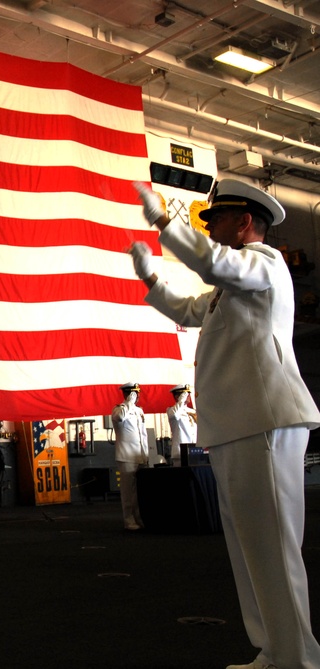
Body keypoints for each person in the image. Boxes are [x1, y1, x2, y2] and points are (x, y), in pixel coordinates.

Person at [129, 179, 320, 669]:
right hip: (240, 425)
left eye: (216, 220)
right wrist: (153, 283)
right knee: (251, 548)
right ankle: (274, 649)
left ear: (246, 223)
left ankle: (298, 659)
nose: (210, 228)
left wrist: (167, 225)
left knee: (274, 547)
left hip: (264, 420)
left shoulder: (265, 263)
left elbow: (215, 261)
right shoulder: (229, 290)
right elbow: (189, 310)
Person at [111, 381, 147, 531]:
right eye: (134, 394)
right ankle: (129, 520)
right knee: (127, 492)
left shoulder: (139, 411)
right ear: (128, 394)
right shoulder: (119, 409)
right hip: (126, 456)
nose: (136, 397)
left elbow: (142, 435)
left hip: (139, 455)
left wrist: (145, 455)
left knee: (139, 492)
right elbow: (119, 418)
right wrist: (128, 403)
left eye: (137, 394)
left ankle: (139, 518)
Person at [166, 383, 197, 465]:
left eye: (188, 394)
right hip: (180, 453)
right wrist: (181, 401)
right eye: (185, 394)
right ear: (177, 397)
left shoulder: (192, 411)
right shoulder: (172, 410)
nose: (188, 396)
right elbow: (174, 415)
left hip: (194, 451)